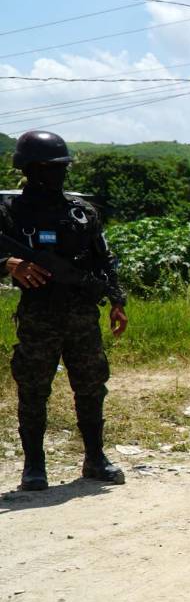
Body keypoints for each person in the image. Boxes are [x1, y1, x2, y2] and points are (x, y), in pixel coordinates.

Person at [0, 130, 127, 492]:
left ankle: (95, 458)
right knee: (33, 388)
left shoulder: (81, 211)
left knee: (91, 385)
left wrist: (117, 301)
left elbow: (105, 259)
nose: (58, 174)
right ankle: (34, 467)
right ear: (29, 169)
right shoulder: (9, 212)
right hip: (38, 316)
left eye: (60, 167)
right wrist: (9, 262)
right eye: (50, 167)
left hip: (82, 316)